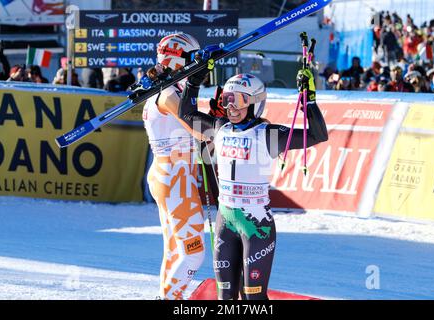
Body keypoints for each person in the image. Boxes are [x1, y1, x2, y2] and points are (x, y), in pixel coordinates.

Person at [178, 58, 328, 300]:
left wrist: (308, 100)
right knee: (225, 297)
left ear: (255, 103)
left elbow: (318, 135)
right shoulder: (219, 128)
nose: (231, 108)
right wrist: (195, 79)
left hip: (256, 226)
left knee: (253, 298)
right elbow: (186, 114)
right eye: (227, 100)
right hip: (225, 222)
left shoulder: (268, 135)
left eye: (238, 101)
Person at [140, 33, 206, 300]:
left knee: (175, 249)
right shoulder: (167, 93)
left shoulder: (170, 89)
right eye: (192, 59)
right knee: (194, 252)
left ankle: (167, 296)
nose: (195, 64)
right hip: (174, 176)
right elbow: (199, 129)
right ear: (176, 60)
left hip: (172, 174)